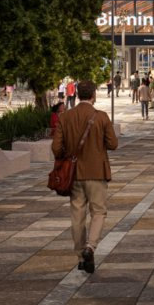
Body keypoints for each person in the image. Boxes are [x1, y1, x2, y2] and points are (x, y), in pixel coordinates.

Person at [51, 80, 118, 273]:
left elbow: (56, 148)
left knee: (77, 216)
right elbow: (113, 144)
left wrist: (66, 156)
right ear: (94, 95)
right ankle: (91, 247)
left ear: (77, 95)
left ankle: (81, 257)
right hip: (97, 172)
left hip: (74, 174)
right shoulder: (101, 116)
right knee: (98, 212)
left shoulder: (66, 116)